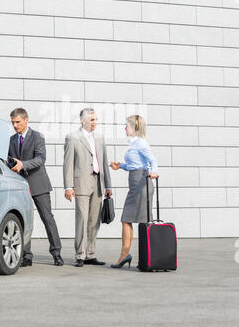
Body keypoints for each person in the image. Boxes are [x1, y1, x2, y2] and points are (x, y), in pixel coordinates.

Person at [8, 108, 64, 267]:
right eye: (12, 122)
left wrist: (22, 164)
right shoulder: (11, 140)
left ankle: (56, 253)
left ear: (26, 120)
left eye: (17, 122)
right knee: (23, 220)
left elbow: (40, 159)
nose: (15, 125)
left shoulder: (38, 137)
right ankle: (26, 256)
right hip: (20, 186)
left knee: (47, 219)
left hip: (38, 184)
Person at [63, 108, 112, 267]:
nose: (94, 122)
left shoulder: (100, 137)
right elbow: (68, 163)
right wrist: (68, 186)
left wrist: (108, 185)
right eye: (91, 120)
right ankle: (80, 254)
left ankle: (90, 254)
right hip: (81, 183)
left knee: (94, 220)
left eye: (96, 119)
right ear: (82, 120)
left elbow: (104, 162)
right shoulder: (73, 138)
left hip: (98, 182)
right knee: (82, 219)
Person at [110, 115, 158, 269]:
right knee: (131, 219)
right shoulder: (134, 144)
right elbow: (135, 165)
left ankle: (128, 256)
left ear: (134, 128)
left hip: (141, 184)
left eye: (127, 126)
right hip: (135, 183)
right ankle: (139, 257)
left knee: (129, 219)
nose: (125, 128)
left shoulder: (141, 143)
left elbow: (152, 161)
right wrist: (121, 165)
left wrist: (154, 172)